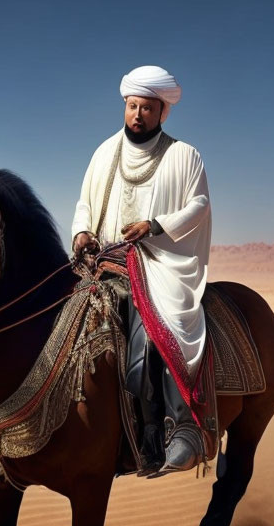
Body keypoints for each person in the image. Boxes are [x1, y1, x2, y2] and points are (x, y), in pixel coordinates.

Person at [71, 65, 212, 476]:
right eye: (132, 106)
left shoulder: (184, 155)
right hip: (105, 261)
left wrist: (155, 226)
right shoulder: (104, 153)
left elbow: (198, 205)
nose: (137, 115)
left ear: (162, 112)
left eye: (147, 108)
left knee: (160, 324)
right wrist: (82, 231)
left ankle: (176, 427)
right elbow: (84, 202)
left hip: (159, 261)